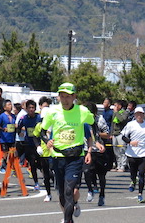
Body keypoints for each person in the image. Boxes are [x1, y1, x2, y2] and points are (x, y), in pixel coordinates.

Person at [41, 83, 93, 223]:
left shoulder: (82, 111)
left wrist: (89, 150)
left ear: (74, 97)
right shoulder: (53, 111)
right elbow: (42, 130)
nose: (65, 100)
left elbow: (92, 123)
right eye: (62, 96)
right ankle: (69, 213)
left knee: (70, 191)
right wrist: (47, 140)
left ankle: (68, 221)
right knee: (62, 194)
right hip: (58, 157)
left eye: (68, 97)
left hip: (75, 158)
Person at [120, 106, 145, 204]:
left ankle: (140, 195)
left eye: (141, 114)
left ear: (144, 115)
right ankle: (133, 181)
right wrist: (130, 142)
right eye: (137, 114)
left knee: (142, 173)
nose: (139, 116)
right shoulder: (131, 124)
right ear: (135, 115)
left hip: (144, 152)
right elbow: (123, 136)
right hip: (132, 152)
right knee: (133, 172)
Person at [83, 101, 109, 206]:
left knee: (101, 175)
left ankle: (102, 195)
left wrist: (97, 135)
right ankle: (90, 190)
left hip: (99, 150)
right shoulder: (82, 121)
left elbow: (107, 134)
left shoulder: (100, 120)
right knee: (86, 171)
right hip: (86, 149)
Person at [16, 99, 41, 190]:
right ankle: (36, 183)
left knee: (41, 163)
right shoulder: (24, 118)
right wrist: (20, 133)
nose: (31, 109)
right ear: (26, 109)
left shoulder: (39, 117)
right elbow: (18, 127)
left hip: (39, 144)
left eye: (33, 108)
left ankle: (51, 177)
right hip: (28, 144)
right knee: (32, 164)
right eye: (29, 108)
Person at [34, 96, 54, 202]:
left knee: (55, 171)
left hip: (56, 153)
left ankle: (59, 188)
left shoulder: (56, 124)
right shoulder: (39, 125)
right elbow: (35, 136)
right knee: (46, 175)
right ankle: (48, 193)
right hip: (44, 153)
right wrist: (38, 146)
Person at [0, 100, 16, 174]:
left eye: (11, 104)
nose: (11, 106)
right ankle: (3, 166)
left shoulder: (13, 116)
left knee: (12, 153)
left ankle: (12, 167)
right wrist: (3, 129)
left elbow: (16, 124)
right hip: (4, 138)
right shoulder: (2, 116)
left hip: (12, 137)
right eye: (9, 105)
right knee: (5, 153)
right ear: (4, 107)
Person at [111, 100, 130, 172]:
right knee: (116, 151)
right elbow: (112, 123)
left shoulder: (124, 112)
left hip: (121, 134)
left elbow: (122, 120)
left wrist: (116, 113)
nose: (115, 107)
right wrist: (111, 133)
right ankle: (118, 165)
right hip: (114, 134)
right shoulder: (115, 113)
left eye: (116, 105)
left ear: (120, 106)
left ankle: (123, 166)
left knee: (122, 150)